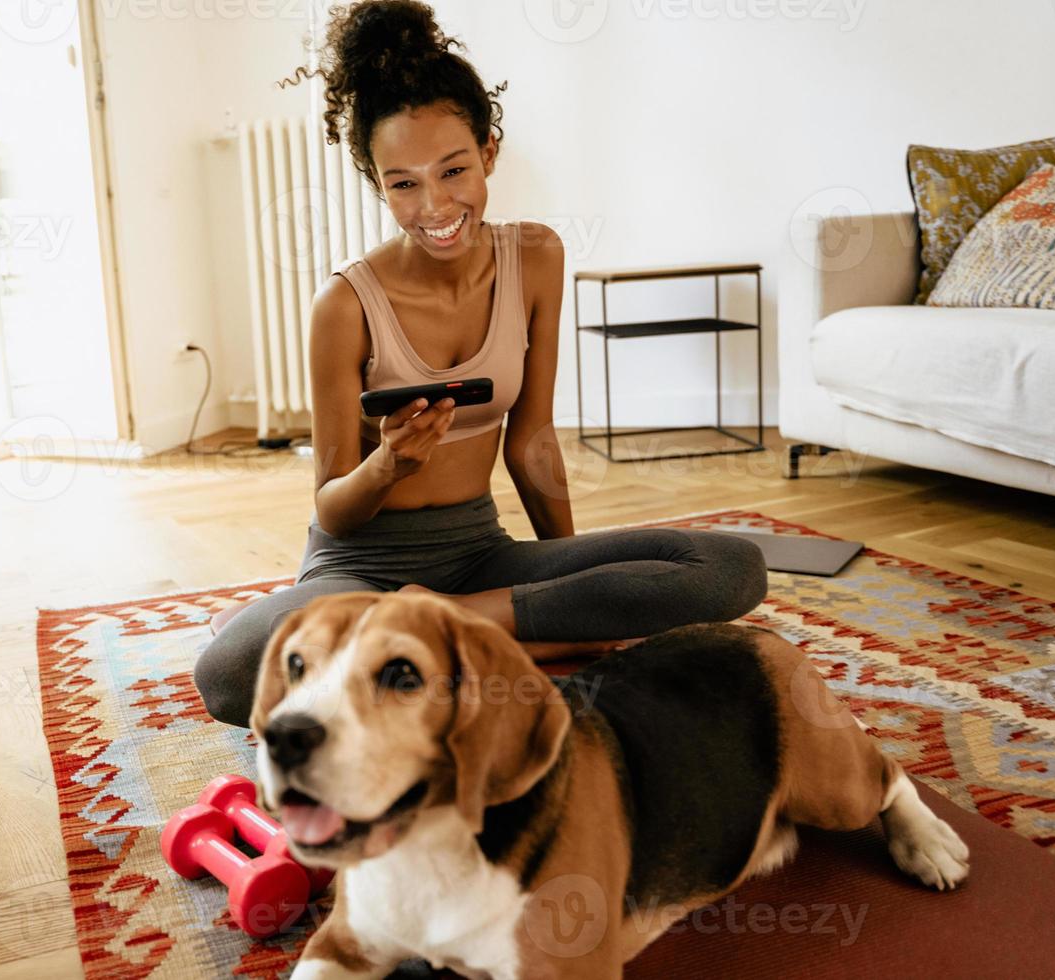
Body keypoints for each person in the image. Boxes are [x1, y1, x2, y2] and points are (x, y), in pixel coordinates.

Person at [194, 0, 766, 728]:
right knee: (231, 672)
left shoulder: (536, 257)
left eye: (453, 170)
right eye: (403, 183)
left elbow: (532, 440)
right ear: (377, 183)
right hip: (359, 574)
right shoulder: (343, 305)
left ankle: (449, 628)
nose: (434, 204)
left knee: (731, 567)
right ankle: (496, 641)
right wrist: (389, 466)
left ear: (489, 153)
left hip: (480, 562)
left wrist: (576, 577)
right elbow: (331, 506)